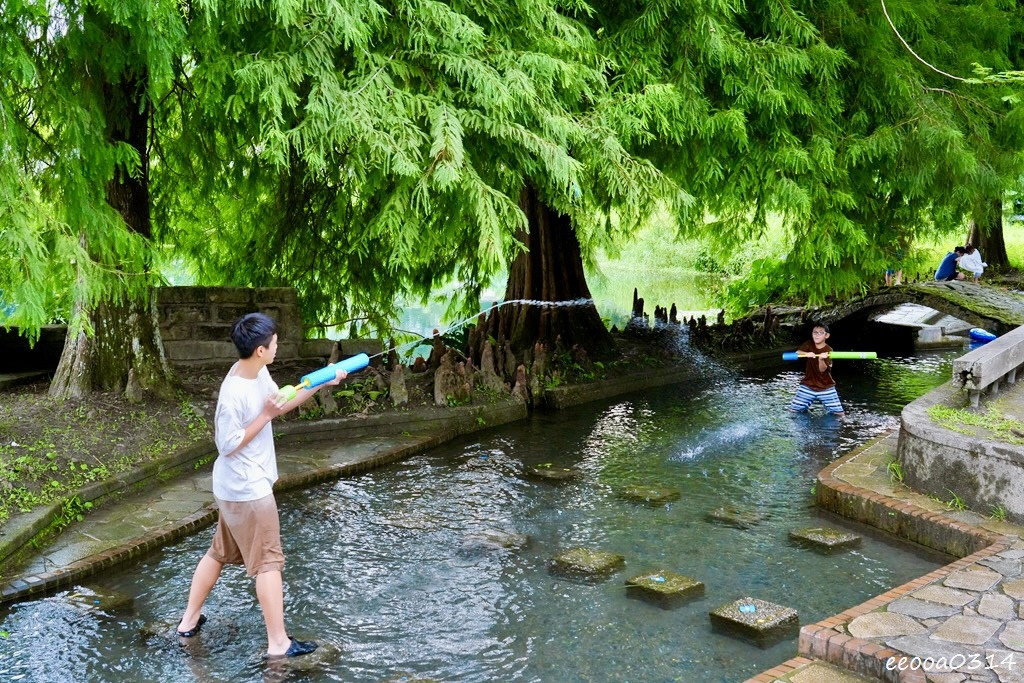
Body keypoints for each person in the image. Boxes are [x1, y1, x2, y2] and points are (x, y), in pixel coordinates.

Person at [176, 312, 347, 658]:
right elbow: (227, 444)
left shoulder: (256, 371)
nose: (277, 346)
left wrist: (321, 382)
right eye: (274, 343)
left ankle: (188, 621)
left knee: (218, 552)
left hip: (234, 490)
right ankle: (278, 644)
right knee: (269, 563)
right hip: (248, 490)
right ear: (259, 350)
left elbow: (279, 404)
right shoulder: (233, 392)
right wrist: (265, 415)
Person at [788, 322, 845, 416]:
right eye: (815, 332)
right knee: (793, 411)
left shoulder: (829, 350)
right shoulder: (809, 344)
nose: (817, 335)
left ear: (826, 335)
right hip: (808, 384)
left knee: (839, 414)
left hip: (826, 386)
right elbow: (798, 352)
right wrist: (806, 354)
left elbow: (823, 370)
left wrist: (821, 359)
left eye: (820, 333)